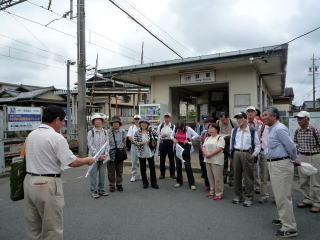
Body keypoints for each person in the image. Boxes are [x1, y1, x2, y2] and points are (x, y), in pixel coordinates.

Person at [24, 106, 94, 240]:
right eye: (63, 121)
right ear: (56, 120)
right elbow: (71, 162)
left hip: (29, 182)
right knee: (52, 227)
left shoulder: (31, 135)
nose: (62, 124)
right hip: (46, 184)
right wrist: (87, 160)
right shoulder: (56, 137)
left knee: (33, 226)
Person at [263, 106, 299, 238]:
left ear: (274, 116)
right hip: (275, 164)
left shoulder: (279, 129)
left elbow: (291, 146)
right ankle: (284, 219)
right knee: (279, 195)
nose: (264, 117)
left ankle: (290, 227)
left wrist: (295, 159)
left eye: (266, 115)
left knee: (283, 196)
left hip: (281, 164)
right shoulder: (271, 128)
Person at [230, 112, 260, 207]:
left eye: (241, 118)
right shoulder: (234, 130)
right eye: (237, 118)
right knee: (236, 176)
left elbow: (258, 145)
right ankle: (238, 196)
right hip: (236, 153)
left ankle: (249, 197)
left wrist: (254, 155)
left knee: (248, 177)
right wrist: (231, 155)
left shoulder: (252, 130)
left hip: (247, 153)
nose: (239, 120)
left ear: (245, 119)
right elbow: (232, 143)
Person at [294, 111, 320, 213]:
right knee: (303, 180)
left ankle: (317, 202)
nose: (299, 120)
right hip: (302, 156)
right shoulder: (297, 131)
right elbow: (296, 144)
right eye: (298, 118)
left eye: (301, 118)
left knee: (315, 181)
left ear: (307, 119)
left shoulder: (314, 130)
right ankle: (307, 199)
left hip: (314, 156)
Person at [171, 120, 199, 190]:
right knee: (178, 166)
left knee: (188, 166)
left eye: (181, 128)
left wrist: (189, 139)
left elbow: (196, 135)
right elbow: (171, 136)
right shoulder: (176, 128)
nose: (180, 129)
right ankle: (179, 182)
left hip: (185, 149)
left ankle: (192, 183)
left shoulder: (188, 129)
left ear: (184, 126)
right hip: (177, 148)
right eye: (178, 128)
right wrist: (174, 139)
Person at [88, 113, 110, 199]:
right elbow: (90, 145)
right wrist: (98, 155)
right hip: (93, 158)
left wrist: (105, 154)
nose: (97, 122)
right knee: (93, 174)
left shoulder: (105, 132)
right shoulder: (91, 132)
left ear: (102, 122)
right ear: (93, 122)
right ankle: (93, 190)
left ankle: (101, 189)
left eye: (99, 120)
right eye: (96, 121)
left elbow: (107, 144)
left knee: (102, 174)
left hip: (104, 157)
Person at [133, 118, 159, 189]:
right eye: (142, 123)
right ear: (140, 124)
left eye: (145, 123)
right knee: (143, 168)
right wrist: (141, 143)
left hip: (150, 152)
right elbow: (134, 142)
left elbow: (158, 136)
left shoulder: (151, 130)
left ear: (147, 124)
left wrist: (151, 140)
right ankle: (145, 183)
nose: (143, 124)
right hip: (141, 152)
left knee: (152, 168)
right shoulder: (137, 132)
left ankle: (154, 183)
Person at [202, 123, 225, 199]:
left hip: (217, 161)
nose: (210, 130)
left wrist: (209, 154)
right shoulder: (207, 138)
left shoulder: (220, 138)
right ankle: (212, 191)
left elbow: (219, 148)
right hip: (208, 160)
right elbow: (203, 147)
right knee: (210, 177)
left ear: (217, 129)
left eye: (212, 128)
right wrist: (206, 153)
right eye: (209, 128)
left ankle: (218, 193)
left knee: (217, 178)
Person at [246, 106, 263, 194]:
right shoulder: (244, 123)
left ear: (255, 113)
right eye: (248, 111)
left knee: (256, 168)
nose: (250, 113)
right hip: (246, 149)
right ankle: (246, 185)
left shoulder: (260, 123)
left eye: (252, 111)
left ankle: (256, 186)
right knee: (246, 168)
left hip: (256, 148)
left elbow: (262, 136)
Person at [216, 112, 237, 185]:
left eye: (224, 120)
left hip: (231, 143)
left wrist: (230, 136)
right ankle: (224, 178)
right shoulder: (218, 122)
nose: (222, 121)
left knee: (232, 161)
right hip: (222, 143)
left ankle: (231, 179)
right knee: (223, 161)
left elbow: (237, 132)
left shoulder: (233, 122)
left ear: (227, 118)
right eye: (221, 120)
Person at [107, 116, 126, 192]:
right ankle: (112, 185)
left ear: (119, 124)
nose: (115, 124)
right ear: (112, 124)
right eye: (114, 123)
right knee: (111, 171)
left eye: (117, 123)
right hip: (111, 153)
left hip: (120, 152)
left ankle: (119, 184)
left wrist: (123, 150)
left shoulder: (123, 131)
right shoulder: (107, 132)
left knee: (119, 170)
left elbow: (124, 142)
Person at [157, 112, 176, 179]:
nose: (166, 119)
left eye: (168, 117)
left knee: (171, 159)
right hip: (162, 142)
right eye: (165, 117)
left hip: (170, 143)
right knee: (162, 159)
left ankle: (172, 174)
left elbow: (174, 135)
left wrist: (170, 136)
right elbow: (157, 135)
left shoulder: (173, 126)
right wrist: (161, 136)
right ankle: (162, 174)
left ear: (170, 118)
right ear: (164, 118)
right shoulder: (161, 125)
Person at [199, 117, 215, 190]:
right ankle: (207, 184)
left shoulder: (215, 132)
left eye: (207, 123)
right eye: (205, 123)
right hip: (204, 153)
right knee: (205, 170)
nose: (205, 125)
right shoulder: (204, 132)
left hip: (213, 154)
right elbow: (201, 142)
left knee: (213, 170)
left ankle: (214, 185)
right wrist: (203, 150)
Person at [197, 113, 210, 190]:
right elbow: (198, 135)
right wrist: (202, 147)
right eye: (204, 119)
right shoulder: (200, 126)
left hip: (210, 151)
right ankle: (206, 181)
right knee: (202, 163)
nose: (205, 121)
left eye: (206, 119)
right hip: (202, 149)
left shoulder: (213, 129)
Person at [127, 114, 141, 182]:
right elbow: (129, 137)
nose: (137, 120)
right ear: (134, 120)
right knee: (134, 161)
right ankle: (133, 175)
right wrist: (134, 140)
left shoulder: (143, 127)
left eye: (138, 119)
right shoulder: (131, 127)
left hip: (142, 146)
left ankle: (142, 175)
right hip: (134, 146)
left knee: (142, 161)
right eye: (135, 119)